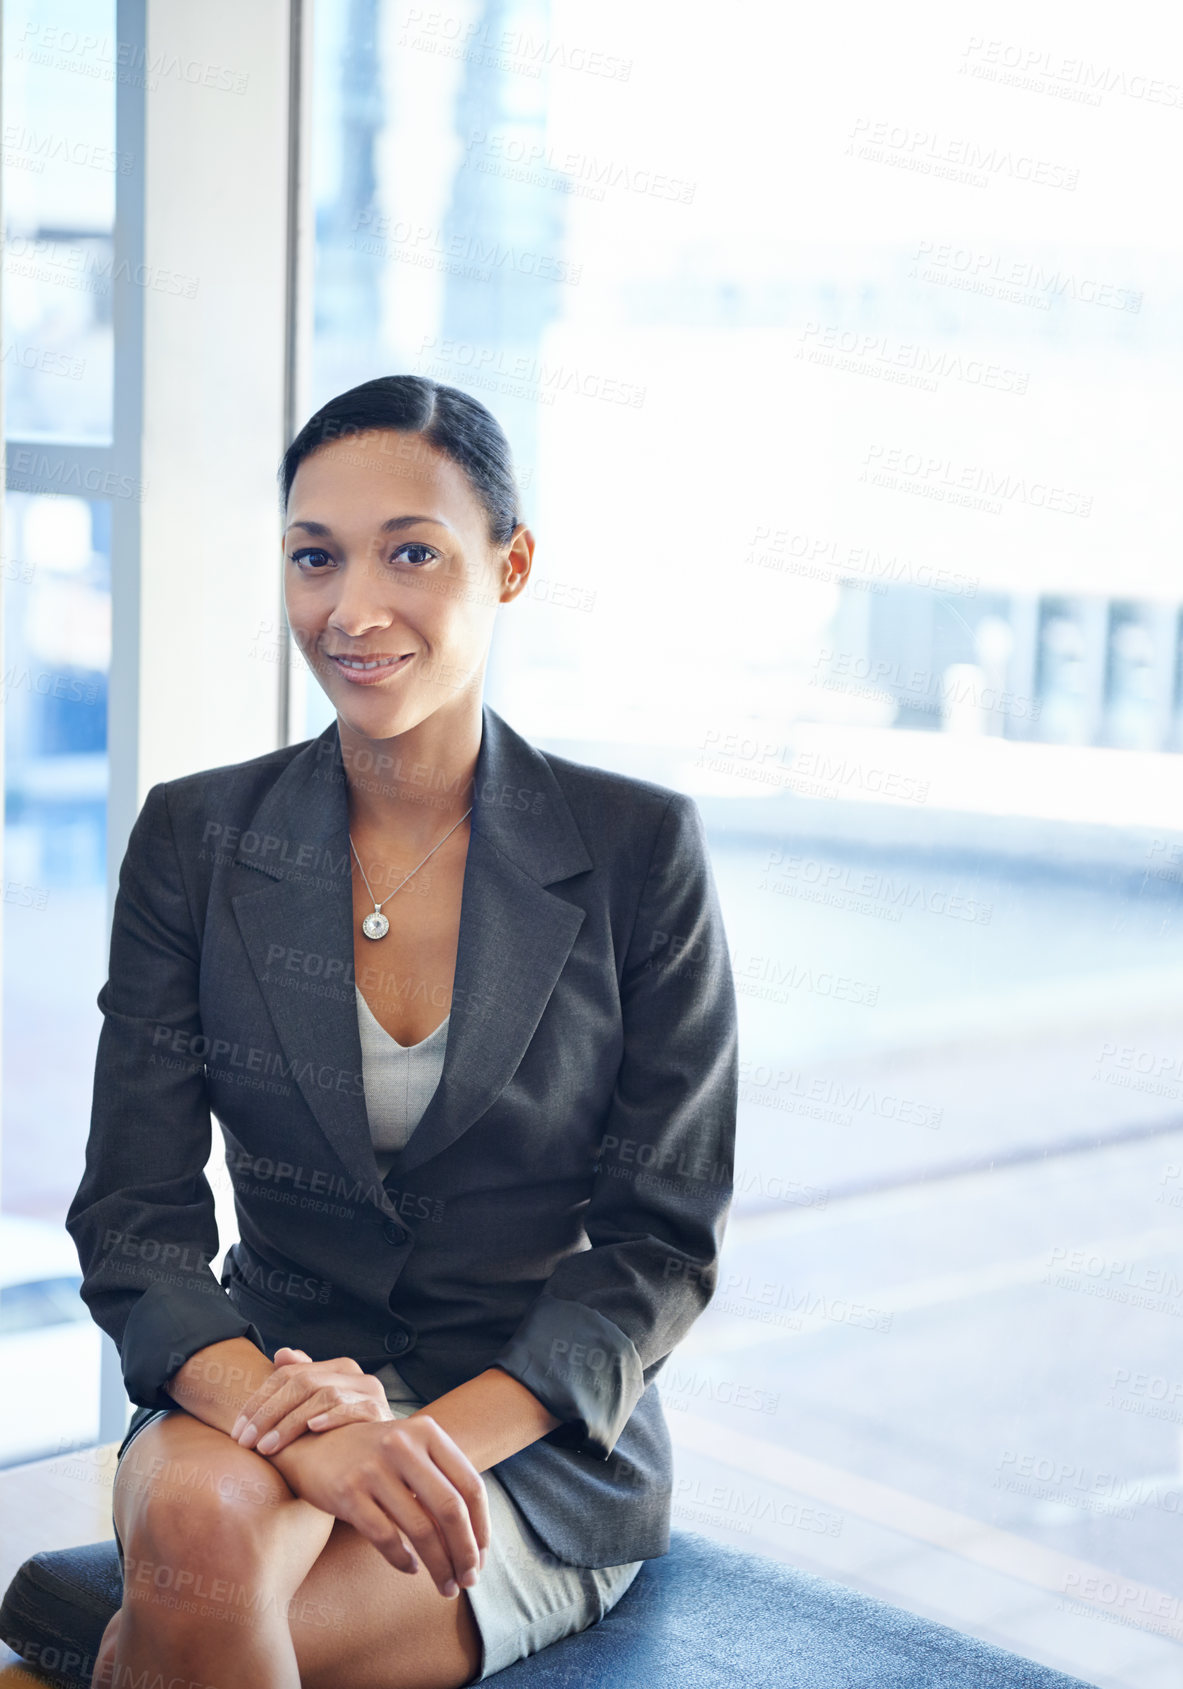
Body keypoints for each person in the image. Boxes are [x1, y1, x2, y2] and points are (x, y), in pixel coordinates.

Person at [66, 375, 739, 1689]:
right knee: (201, 1531)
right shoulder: (197, 839)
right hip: (264, 1380)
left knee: (181, 1632)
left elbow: (659, 1243)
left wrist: (421, 1435)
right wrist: (305, 1425)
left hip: (527, 1434)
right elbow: (133, 1218)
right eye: (315, 557)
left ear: (513, 562)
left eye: (412, 553)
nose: (351, 609)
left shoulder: (635, 849)